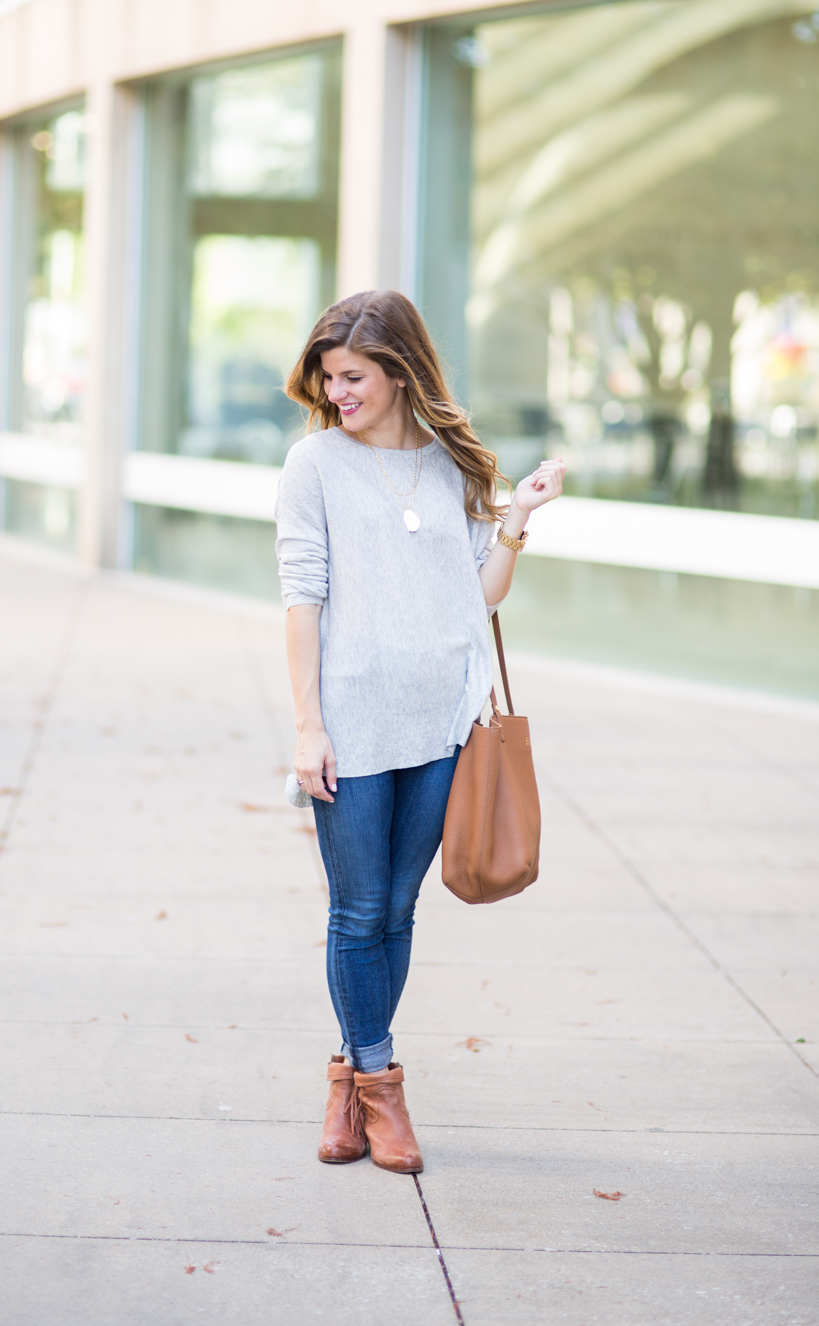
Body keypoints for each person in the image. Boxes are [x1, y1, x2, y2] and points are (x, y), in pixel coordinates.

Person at [275, 290, 564, 1174]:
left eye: (355, 375)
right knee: (358, 909)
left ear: (400, 372)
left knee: (397, 910)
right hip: (353, 726)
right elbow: (302, 597)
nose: (340, 391)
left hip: (442, 723)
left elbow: (476, 595)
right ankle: (380, 1085)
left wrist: (515, 520)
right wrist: (307, 727)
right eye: (330, 377)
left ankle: (345, 1084)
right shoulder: (313, 464)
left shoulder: (451, 463)